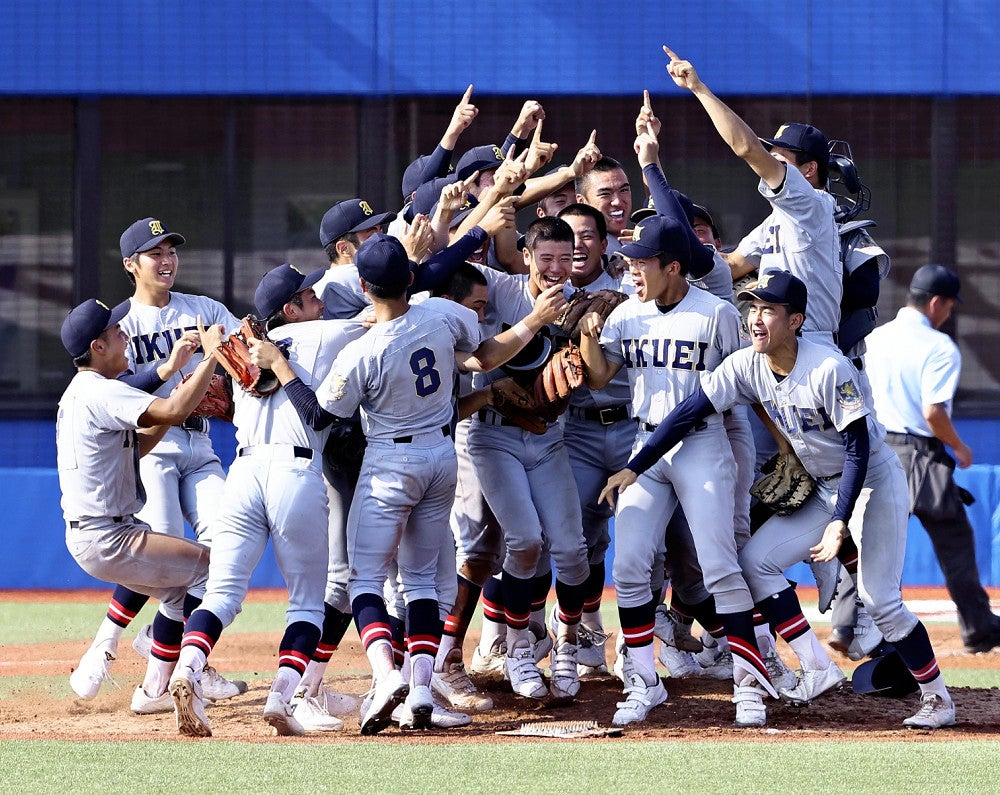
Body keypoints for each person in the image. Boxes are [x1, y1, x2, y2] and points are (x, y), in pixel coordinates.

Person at [605, 271, 957, 729]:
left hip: (872, 482)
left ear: (796, 320)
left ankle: (937, 700)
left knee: (879, 599)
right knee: (755, 563)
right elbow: (688, 411)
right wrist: (637, 465)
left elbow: (858, 448)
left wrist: (839, 522)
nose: (755, 319)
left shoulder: (828, 367)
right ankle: (817, 667)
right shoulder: (746, 364)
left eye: (768, 310)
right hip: (825, 486)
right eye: (753, 308)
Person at [316, 234, 565, 734]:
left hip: (390, 459)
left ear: (365, 286)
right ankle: (424, 692)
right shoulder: (442, 314)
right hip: (441, 453)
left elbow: (326, 414)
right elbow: (485, 357)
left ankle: (387, 676)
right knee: (423, 580)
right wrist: (536, 320)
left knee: (366, 580)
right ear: (410, 278)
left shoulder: (362, 350)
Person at [579, 212, 776, 728]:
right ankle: (643, 680)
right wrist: (585, 335)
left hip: (703, 443)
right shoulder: (627, 313)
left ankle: (749, 682)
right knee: (629, 566)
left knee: (719, 565)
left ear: (672, 266)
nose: (632, 272)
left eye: (642, 263)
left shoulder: (715, 312)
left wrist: (776, 445)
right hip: (644, 441)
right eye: (629, 262)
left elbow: (747, 384)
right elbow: (601, 379)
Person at [167, 263, 367, 737]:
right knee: (306, 605)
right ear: (290, 309)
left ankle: (188, 667)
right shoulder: (322, 333)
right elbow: (383, 316)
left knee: (221, 593)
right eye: (309, 297)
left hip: (243, 470)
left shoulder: (243, 351)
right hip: (295, 472)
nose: (319, 302)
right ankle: (280, 696)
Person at [69, 218, 245, 710]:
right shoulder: (116, 326)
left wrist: (235, 380)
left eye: (171, 250)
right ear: (131, 265)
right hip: (153, 446)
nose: (166, 260)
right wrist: (177, 372)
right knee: (168, 565)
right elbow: (124, 398)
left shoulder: (203, 309)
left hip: (201, 444)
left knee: (223, 548)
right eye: (154, 253)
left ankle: (160, 667)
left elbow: (246, 359)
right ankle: (130, 656)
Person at [57, 298, 223, 714]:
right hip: (110, 536)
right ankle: (188, 666)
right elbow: (173, 408)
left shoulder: (82, 391)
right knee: (217, 569)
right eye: (115, 333)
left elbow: (141, 443)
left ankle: (151, 688)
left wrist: (174, 387)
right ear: (97, 347)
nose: (124, 335)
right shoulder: (101, 390)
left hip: (97, 534)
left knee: (174, 592)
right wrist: (211, 358)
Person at [466, 217, 591, 703]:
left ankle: (565, 644)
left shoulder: (581, 299)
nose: (558, 269)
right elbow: (481, 355)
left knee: (573, 550)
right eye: (547, 259)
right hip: (494, 437)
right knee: (524, 543)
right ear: (527, 256)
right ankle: (517, 648)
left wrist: (593, 333)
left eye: (567, 259)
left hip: (549, 440)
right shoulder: (501, 288)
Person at [661, 46, 841, 347]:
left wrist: (699, 89)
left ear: (809, 169)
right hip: (776, 343)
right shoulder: (781, 217)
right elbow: (730, 266)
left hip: (810, 346)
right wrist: (663, 252)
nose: (771, 162)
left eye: (780, 159)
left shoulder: (812, 205)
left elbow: (746, 148)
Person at [865, 264, 1000, 654]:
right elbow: (933, 412)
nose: (948, 314)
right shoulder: (939, 346)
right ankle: (977, 627)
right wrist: (959, 446)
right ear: (937, 302)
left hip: (876, 451)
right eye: (950, 306)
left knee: (871, 542)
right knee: (954, 537)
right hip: (920, 456)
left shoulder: (875, 338)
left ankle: (847, 625)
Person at [575, 156, 633, 254]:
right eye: (605, 194)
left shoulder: (640, 241)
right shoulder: (578, 249)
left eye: (623, 190)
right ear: (582, 201)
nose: (617, 202)